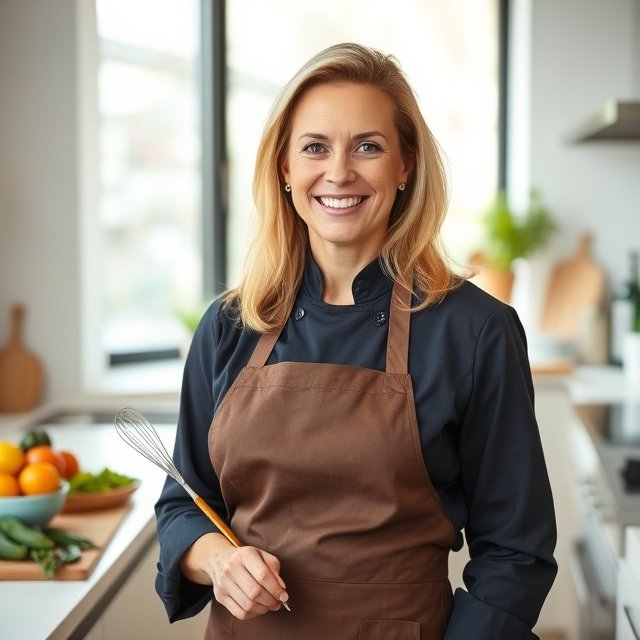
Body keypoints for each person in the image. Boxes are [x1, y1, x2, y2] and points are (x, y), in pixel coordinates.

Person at [154, 42, 557, 639]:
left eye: (368, 146)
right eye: (315, 147)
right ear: (285, 169)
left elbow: (516, 551)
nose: (339, 172)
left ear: (406, 166)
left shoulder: (475, 331)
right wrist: (218, 559)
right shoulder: (229, 325)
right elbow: (184, 503)